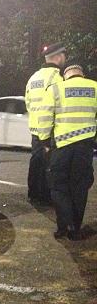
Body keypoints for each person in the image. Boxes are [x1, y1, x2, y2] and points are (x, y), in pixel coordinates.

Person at [39, 61, 97, 240]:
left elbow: (45, 117)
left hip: (61, 148)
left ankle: (64, 226)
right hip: (85, 148)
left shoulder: (56, 89)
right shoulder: (94, 87)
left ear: (65, 75)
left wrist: (44, 141)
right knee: (79, 187)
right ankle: (74, 228)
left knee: (58, 187)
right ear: (82, 74)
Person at [25, 42, 66, 206]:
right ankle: (46, 197)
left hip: (36, 128)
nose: (65, 58)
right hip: (51, 130)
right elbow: (60, 105)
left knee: (36, 161)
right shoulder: (57, 78)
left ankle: (33, 194)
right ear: (57, 57)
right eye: (64, 55)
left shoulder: (34, 77)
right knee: (50, 165)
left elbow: (28, 103)